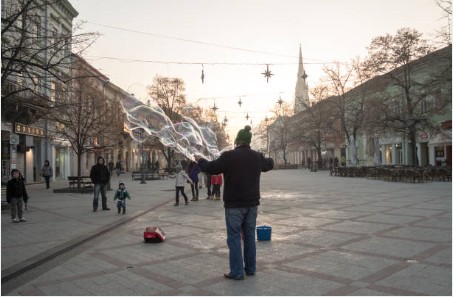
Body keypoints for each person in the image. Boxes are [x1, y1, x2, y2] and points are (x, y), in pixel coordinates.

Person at [196, 125, 274, 280]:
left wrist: (200, 160)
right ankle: (250, 268)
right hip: (252, 204)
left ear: (237, 141)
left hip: (234, 205)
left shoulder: (229, 156)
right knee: (250, 236)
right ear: (249, 142)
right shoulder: (256, 156)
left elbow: (212, 168)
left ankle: (237, 272)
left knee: (234, 237)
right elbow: (270, 163)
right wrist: (265, 156)